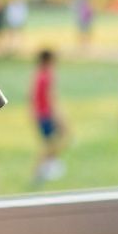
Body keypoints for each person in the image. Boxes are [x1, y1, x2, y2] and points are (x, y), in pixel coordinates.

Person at [30, 49, 68, 184]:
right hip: (47, 115)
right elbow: (51, 98)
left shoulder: (38, 74)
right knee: (54, 143)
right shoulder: (47, 76)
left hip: (41, 114)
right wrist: (60, 118)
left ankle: (46, 168)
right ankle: (42, 171)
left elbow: (32, 96)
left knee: (51, 144)